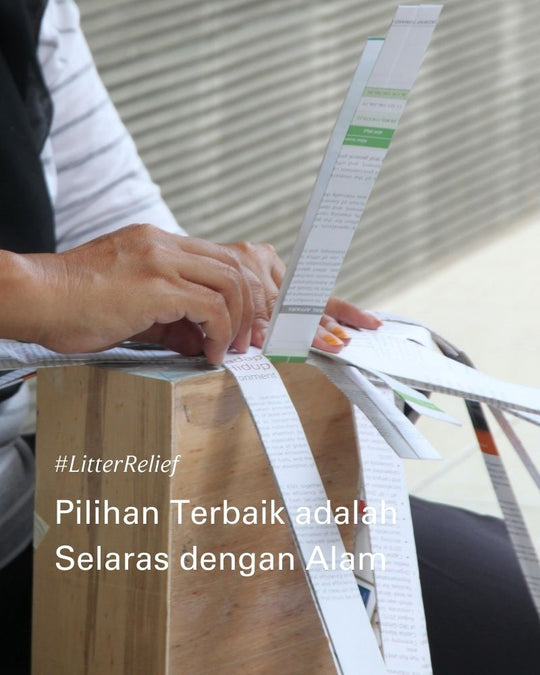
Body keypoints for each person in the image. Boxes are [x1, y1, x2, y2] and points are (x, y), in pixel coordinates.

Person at [1, 2, 538, 674]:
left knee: (515, 611)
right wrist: (37, 290)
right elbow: (72, 284)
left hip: (44, 514)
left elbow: (104, 217)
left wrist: (208, 297)